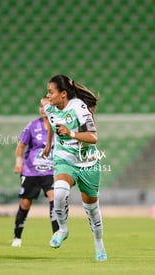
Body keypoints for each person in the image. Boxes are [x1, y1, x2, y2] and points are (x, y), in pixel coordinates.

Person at [41, 74, 107, 261]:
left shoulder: (78, 107)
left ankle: (98, 242)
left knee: (92, 208)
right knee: (60, 193)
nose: (48, 95)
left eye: (51, 92)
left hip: (88, 163)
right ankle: (63, 229)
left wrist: (70, 132)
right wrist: (48, 145)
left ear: (63, 94)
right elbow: (51, 126)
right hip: (64, 160)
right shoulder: (49, 107)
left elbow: (93, 137)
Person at [11, 97, 59, 247]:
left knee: (54, 197)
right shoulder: (32, 125)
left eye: (46, 105)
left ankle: (56, 235)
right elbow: (21, 146)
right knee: (25, 203)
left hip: (50, 171)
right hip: (31, 171)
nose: (42, 108)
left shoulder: (59, 126)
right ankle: (17, 236)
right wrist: (19, 162)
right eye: (41, 106)